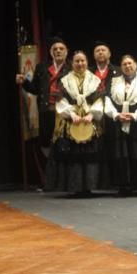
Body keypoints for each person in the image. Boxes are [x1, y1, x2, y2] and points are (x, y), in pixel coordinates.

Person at [45, 50, 104, 195]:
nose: (80, 64)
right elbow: (60, 101)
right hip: (71, 122)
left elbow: (99, 100)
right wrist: (71, 114)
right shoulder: (64, 81)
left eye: (82, 61)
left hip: (90, 122)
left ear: (87, 62)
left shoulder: (95, 80)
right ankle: (74, 187)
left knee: (90, 155)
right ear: (72, 63)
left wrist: (92, 114)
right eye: (77, 61)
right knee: (73, 156)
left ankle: (89, 187)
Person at [104, 54, 137, 195]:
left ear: (136, 65)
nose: (127, 66)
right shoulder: (113, 81)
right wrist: (115, 115)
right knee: (122, 154)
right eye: (124, 64)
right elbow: (108, 100)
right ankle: (124, 186)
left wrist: (135, 115)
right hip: (119, 121)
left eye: (130, 63)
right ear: (121, 67)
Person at [16, 35, 70, 155]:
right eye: (55, 49)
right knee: (46, 144)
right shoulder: (42, 67)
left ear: (66, 52)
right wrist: (24, 81)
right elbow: (35, 89)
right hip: (46, 111)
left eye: (61, 49)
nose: (58, 51)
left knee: (65, 144)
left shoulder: (71, 68)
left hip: (65, 113)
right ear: (51, 52)